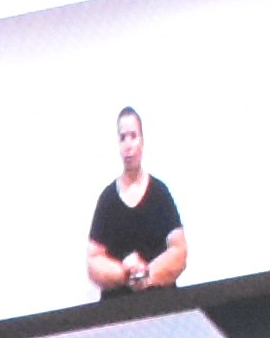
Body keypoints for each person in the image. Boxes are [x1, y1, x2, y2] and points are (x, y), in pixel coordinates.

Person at [83, 106, 194, 289]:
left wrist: (147, 274)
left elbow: (179, 251)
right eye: (122, 138)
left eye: (133, 136)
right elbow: (93, 262)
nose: (128, 145)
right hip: (119, 305)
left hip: (161, 303)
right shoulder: (107, 200)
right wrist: (125, 274)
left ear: (142, 141)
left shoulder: (160, 194)